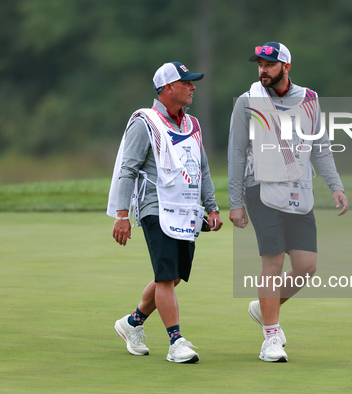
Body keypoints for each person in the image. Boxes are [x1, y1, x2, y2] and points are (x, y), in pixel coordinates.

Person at [228, 42, 348, 362]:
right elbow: (237, 153)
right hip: (260, 189)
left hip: (299, 188)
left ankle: (264, 307)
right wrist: (235, 200)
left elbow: (320, 146)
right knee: (273, 264)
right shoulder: (247, 101)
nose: (263, 70)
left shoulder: (309, 99)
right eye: (260, 65)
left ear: (286, 67)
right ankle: (270, 339)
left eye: (269, 64)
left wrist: (335, 186)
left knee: (307, 265)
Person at [108, 61, 223, 363]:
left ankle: (132, 323)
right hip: (154, 208)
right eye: (187, 83)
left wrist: (211, 206)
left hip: (186, 209)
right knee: (165, 275)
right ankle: (176, 342)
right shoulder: (144, 122)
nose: (193, 87)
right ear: (169, 88)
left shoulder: (192, 124)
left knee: (174, 278)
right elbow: (128, 169)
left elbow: (203, 168)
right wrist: (123, 215)